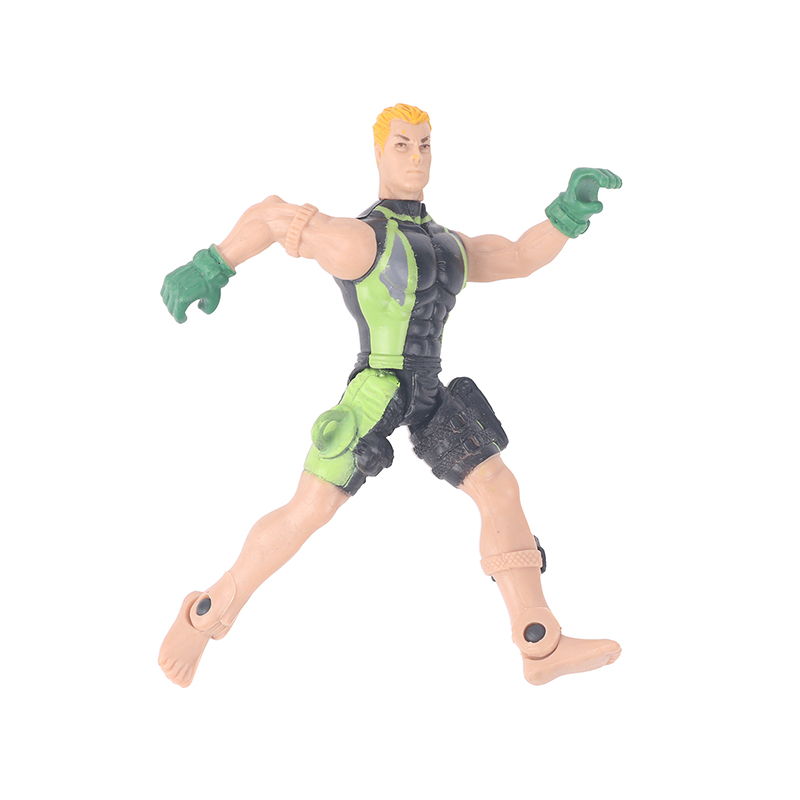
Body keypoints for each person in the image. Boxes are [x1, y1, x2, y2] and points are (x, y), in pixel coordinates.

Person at [159, 104, 623, 687]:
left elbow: (518, 256)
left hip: (429, 388)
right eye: (402, 144)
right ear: (378, 152)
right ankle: (204, 618)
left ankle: (540, 641)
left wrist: (570, 210)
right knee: (310, 509)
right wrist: (210, 266)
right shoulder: (359, 238)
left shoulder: (448, 244)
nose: (416, 157)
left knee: (500, 489)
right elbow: (273, 216)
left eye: (425, 144)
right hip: (377, 387)